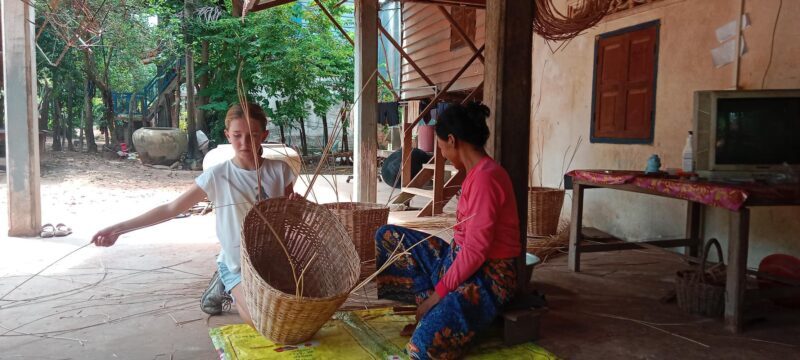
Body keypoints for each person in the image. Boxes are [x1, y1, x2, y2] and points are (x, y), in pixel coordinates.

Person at [92, 103, 298, 326]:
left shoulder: (280, 170)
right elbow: (171, 209)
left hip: (272, 259)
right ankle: (227, 279)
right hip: (237, 262)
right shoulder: (217, 175)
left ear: (264, 135)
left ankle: (230, 286)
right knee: (264, 322)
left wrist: (297, 206)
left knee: (293, 316)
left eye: (252, 135)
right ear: (227, 135)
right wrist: (119, 229)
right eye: (237, 135)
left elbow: (290, 213)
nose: (244, 143)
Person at [374, 102, 521, 359]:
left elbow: (476, 252)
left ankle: (435, 310)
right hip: (458, 261)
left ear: (452, 140)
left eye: (441, 147)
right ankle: (431, 308)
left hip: (487, 276)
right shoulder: (474, 173)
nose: (441, 153)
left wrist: (437, 296)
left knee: (423, 347)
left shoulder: (487, 178)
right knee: (389, 236)